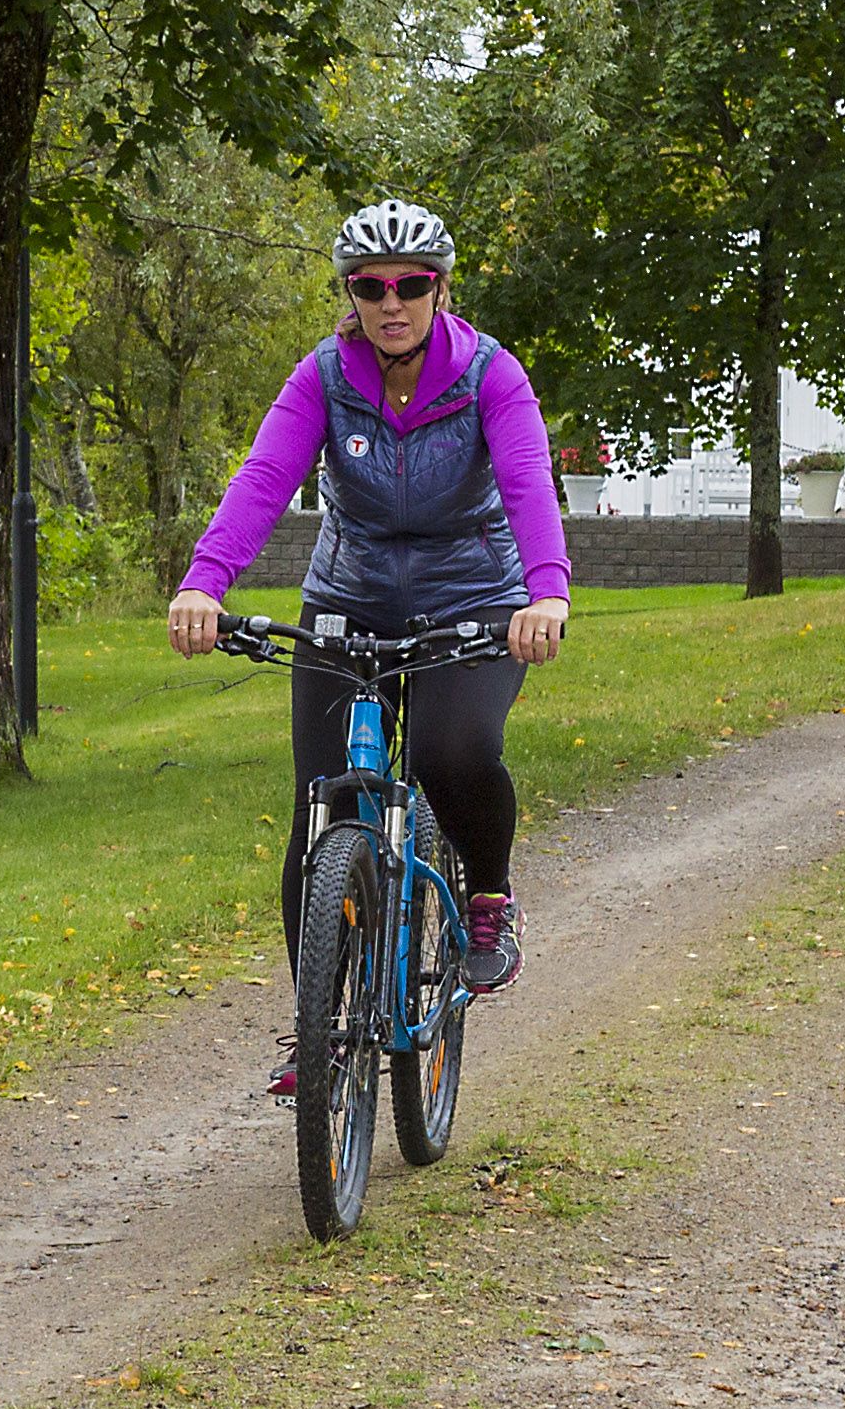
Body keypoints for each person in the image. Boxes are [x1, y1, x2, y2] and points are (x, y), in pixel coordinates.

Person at [165, 200, 574, 1084]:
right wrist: (206, 580)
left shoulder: (489, 376)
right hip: (348, 600)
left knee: (451, 749)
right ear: (351, 294)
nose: (393, 302)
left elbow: (530, 481)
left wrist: (546, 594)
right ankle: (321, 1031)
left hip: (475, 601)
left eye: (412, 285)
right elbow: (267, 476)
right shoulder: (323, 376)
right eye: (372, 287)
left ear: (440, 288)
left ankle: (491, 894)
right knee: (322, 817)